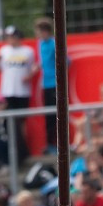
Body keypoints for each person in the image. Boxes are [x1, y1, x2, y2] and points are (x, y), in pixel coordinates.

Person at [0, 26, 36, 163]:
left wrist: (29, 75)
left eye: (12, 36)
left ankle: (22, 149)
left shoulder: (28, 51)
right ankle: (12, 149)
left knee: (21, 122)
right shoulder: (4, 50)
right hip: (7, 90)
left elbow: (34, 67)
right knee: (8, 122)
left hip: (22, 91)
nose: (9, 39)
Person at [35, 16, 57, 152]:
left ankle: (57, 144)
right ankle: (50, 144)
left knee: (56, 116)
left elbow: (67, 61)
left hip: (55, 84)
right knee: (48, 116)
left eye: (39, 31)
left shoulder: (54, 43)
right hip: (45, 85)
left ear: (46, 31)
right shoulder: (40, 44)